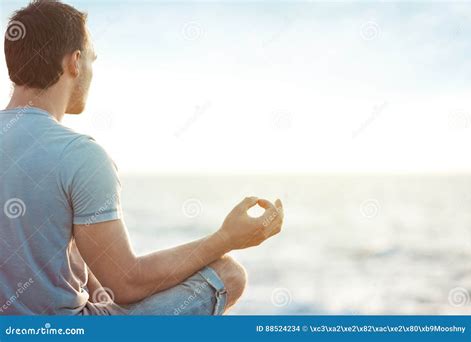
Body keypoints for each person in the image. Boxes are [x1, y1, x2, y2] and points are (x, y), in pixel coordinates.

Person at [0, 0, 284, 315]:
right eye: (93, 59)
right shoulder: (80, 155)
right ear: (75, 62)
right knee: (230, 274)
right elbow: (126, 284)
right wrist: (226, 237)